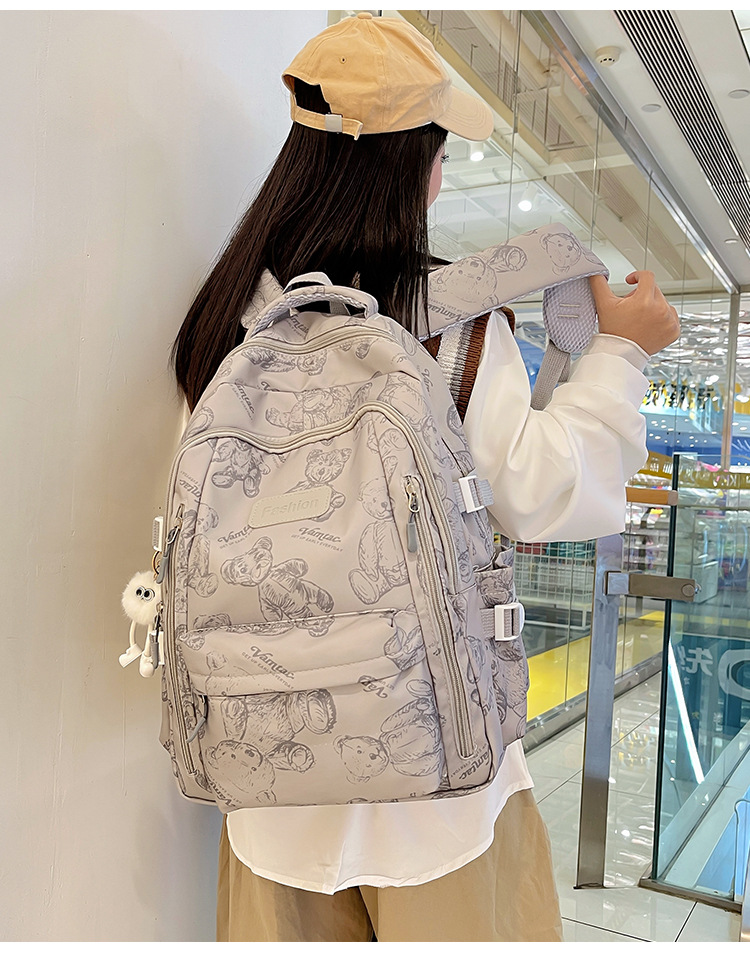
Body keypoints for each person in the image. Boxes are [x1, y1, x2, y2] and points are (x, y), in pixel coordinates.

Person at [170, 13, 680, 942]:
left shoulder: (229, 322)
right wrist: (619, 355)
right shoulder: (448, 328)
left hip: (268, 793)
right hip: (441, 797)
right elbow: (542, 491)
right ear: (421, 168)